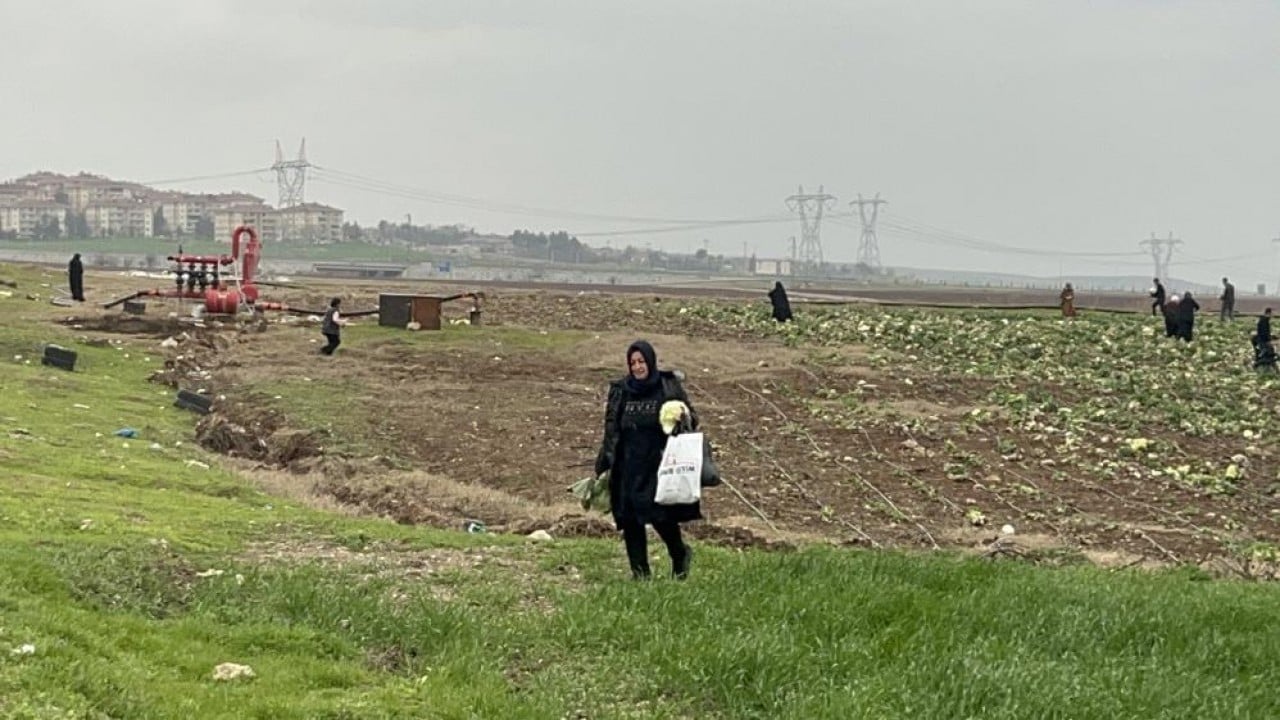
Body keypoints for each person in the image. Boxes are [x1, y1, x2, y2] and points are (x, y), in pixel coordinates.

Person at [594, 340, 700, 580]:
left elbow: (691, 418)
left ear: (650, 362)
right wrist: (605, 459)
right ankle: (640, 573)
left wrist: (680, 417)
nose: (637, 367)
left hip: (657, 463)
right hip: (627, 464)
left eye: (641, 362)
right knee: (629, 519)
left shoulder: (666, 386)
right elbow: (611, 426)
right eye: (633, 363)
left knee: (659, 515)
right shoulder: (622, 389)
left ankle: (680, 554)